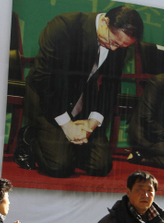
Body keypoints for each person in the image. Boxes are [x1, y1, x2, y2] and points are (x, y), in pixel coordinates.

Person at [16, 6, 144, 178]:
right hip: (48, 99)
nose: (115, 49)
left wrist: (93, 121)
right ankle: (29, 137)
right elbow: (44, 79)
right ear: (105, 22)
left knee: (100, 167)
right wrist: (66, 124)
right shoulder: (65, 26)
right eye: (113, 42)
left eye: (121, 46)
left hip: (81, 102)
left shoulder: (119, 42)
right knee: (59, 167)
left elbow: (110, 85)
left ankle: (66, 146)